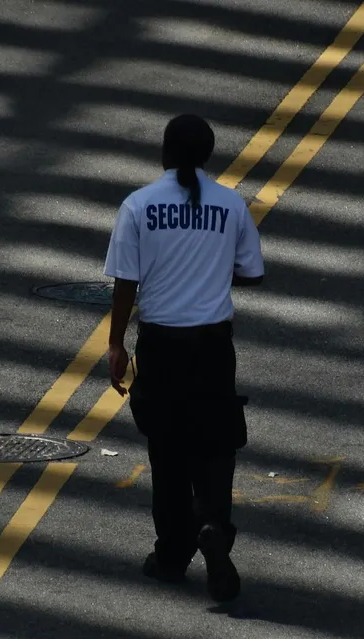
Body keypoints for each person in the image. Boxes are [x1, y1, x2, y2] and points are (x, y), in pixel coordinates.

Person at [103, 114, 264, 603]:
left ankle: (172, 556)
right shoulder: (231, 205)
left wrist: (115, 344)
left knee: (168, 452)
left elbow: (126, 282)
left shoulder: (139, 206)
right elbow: (252, 271)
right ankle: (214, 525)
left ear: (165, 154)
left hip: (162, 344)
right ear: (209, 155)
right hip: (213, 346)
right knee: (216, 446)